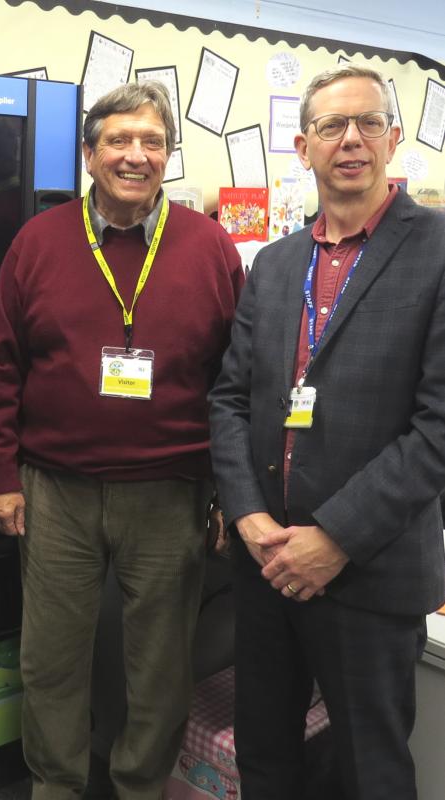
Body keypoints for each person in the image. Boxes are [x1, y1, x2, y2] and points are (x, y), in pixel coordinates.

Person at [0, 82, 243, 799]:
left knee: (158, 667)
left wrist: (227, 492)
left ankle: (140, 786)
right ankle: (55, 785)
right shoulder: (39, 241)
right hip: (53, 492)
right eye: (118, 141)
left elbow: (234, 383)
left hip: (170, 494)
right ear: (89, 154)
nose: (135, 155)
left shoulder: (211, 248)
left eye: (151, 142)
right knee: (51, 661)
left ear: (167, 157)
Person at [209, 64, 445, 800]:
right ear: (301, 146)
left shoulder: (437, 252)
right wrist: (249, 517)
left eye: (368, 123)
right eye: (331, 126)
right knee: (265, 757)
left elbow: (437, 426)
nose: (350, 140)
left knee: (370, 771)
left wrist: (333, 538)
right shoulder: (275, 265)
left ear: (394, 139)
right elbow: (228, 400)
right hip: (266, 566)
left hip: (367, 574)